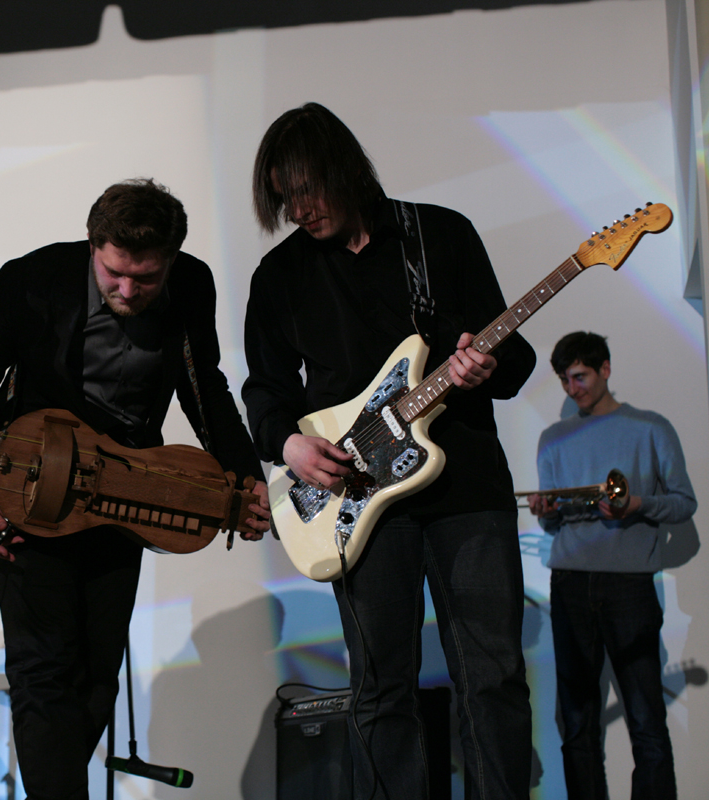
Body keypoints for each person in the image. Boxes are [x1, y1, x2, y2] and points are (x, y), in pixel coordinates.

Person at [0, 178, 270, 799]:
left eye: (146, 279)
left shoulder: (191, 283)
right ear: (93, 245)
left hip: (126, 498)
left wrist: (246, 477)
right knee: (43, 672)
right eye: (115, 274)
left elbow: (204, 386)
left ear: (170, 260)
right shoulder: (31, 279)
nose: (128, 290)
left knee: (96, 678)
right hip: (32, 495)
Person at [242, 103, 536, 799]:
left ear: (344, 170)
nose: (299, 210)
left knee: (492, 676)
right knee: (380, 687)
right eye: (285, 199)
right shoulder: (279, 275)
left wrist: (486, 366)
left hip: (465, 489)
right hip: (358, 499)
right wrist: (291, 447)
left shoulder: (438, 235)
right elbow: (264, 392)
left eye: (307, 190)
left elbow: (515, 357)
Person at [528, 331, 696, 800]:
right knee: (576, 721)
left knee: (646, 717)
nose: (573, 388)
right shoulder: (552, 438)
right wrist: (546, 511)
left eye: (580, 376)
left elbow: (684, 503)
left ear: (605, 369)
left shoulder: (651, 428)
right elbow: (553, 524)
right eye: (565, 380)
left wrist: (637, 504)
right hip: (569, 584)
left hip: (629, 586)